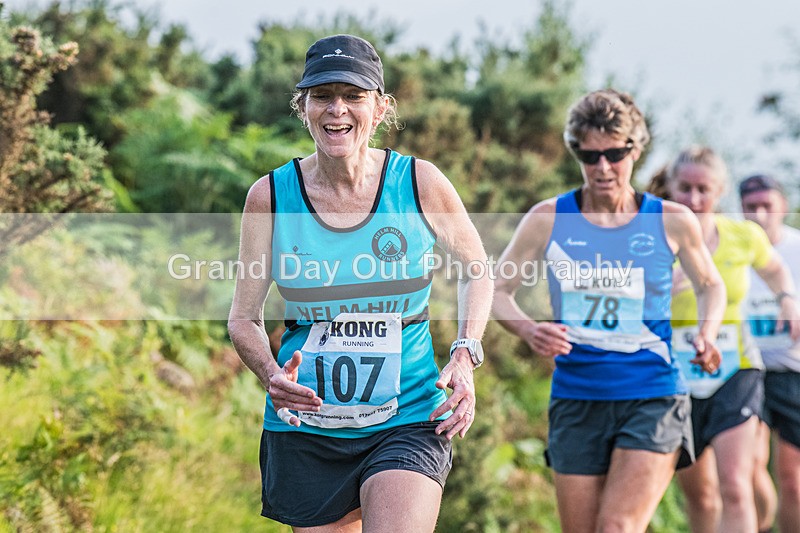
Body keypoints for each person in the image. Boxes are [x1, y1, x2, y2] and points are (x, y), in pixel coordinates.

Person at [227, 34, 493, 532]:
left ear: (381, 107)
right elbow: (243, 318)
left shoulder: (418, 182)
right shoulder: (271, 196)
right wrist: (271, 376)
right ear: (302, 106)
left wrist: (464, 353)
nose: (337, 111)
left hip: (408, 414)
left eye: (354, 96)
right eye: (323, 96)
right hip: (309, 424)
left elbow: (476, 267)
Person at [493, 88, 726, 533]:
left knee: (617, 526)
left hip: (652, 392)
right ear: (575, 151)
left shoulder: (672, 219)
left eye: (615, 154)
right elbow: (497, 289)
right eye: (590, 155)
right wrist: (528, 330)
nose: (602, 167)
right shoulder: (548, 218)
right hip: (577, 396)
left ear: (635, 150)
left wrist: (707, 332)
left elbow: (710, 285)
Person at [659, 148, 800, 533]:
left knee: (736, 485)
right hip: (677, 376)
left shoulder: (743, 235)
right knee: (701, 494)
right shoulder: (651, 237)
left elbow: (775, 270)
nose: (694, 198)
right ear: (671, 188)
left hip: (735, 369)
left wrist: (787, 299)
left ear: (719, 190)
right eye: (685, 188)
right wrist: (657, 293)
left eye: (703, 188)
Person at [741, 174, 800, 533]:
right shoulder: (733, 247)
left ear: (783, 207)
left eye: (767, 206)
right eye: (751, 207)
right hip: (748, 368)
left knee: (792, 478)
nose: (760, 215)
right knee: (746, 466)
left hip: (793, 370)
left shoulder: (797, 248)